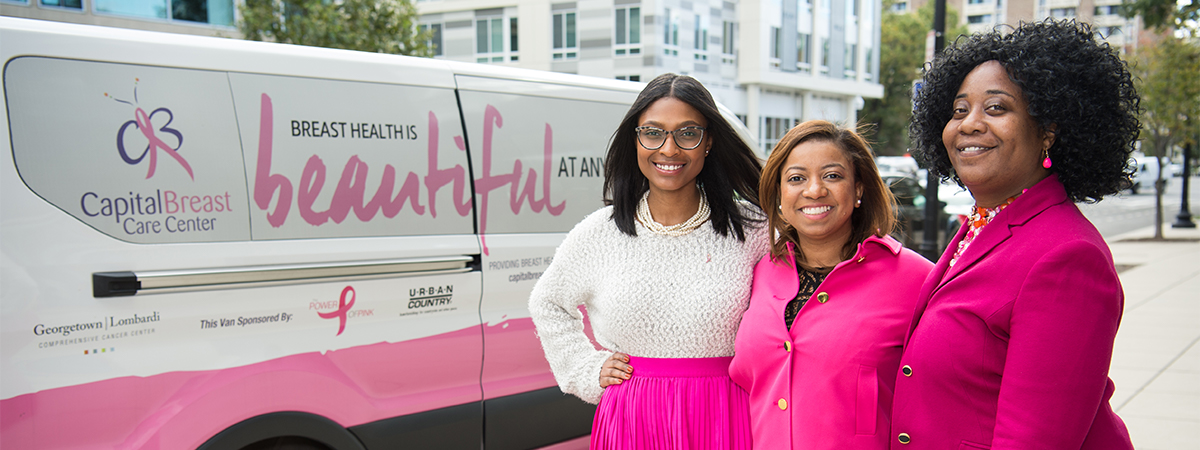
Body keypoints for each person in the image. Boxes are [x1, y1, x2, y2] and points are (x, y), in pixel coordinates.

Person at [891, 20, 1140, 449]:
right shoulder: (983, 225)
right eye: (958, 110)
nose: (968, 124)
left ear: (1048, 131)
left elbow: (1035, 439)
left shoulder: (1067, 256)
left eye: (996, 108)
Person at [528, 73, 768, 449]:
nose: (669, 149)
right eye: (653, 133)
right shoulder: (600, 232)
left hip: (724, 412)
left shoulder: (753, 231)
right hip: (631, 416)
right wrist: (585, 369)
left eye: (687, 133)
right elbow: (547, 302)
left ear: (708, 143)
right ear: (635, 140)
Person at [728, 120, 934, 449]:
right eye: (796, 178)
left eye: (832, 176)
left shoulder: (916, 279)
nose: (814, 190)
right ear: (779, 193)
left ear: (859, 189)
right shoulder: (756, 271)